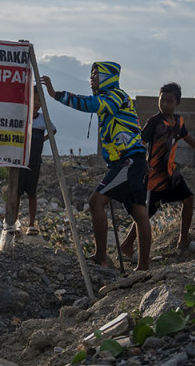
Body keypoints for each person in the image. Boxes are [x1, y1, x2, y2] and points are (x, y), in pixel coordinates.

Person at [42, 61, 151, 270]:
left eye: (96, 74)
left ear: (109, 77)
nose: (92, 78)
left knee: (96, 202)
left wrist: (57, 94)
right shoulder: (111, 98)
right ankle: (142, 268)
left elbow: (91, 104)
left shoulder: (115, 96)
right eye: (91, 74)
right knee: (138, 212)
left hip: (128, 162)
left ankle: (102, 257)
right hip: (129, 161)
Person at [119, 82, 195, 257]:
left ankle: (183, 240)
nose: (164, 104)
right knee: (147, 213)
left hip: (170, 174)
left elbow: (187, 138)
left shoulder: (178, 122)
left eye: (169, 101)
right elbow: (141, 143)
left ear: (177, 103)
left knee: (189, 199)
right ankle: (126, 245)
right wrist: (141, 164)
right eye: (162, 100)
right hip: (153, 175)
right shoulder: (155, 122)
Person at [16, 90, 56, 235]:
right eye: (35, 100)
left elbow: (53, 130)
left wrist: (41, 141)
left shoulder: (42, 119)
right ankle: (14, 223)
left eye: (40, 101)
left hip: (35, 161)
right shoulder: (23, 118)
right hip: (20, 161)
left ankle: (32, 224)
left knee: (32, 193)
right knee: (17, 193)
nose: (37, 104)